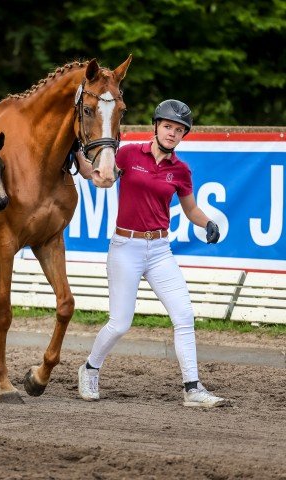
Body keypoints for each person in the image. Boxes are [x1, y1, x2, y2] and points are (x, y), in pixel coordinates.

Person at [76, 99, 227, 408]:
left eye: (179, 130)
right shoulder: (129, 154)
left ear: (184, 135)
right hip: (125, 247)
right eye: (168, 126)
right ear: (156, 126)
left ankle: (193, 388)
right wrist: (79, 155)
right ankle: (90, 368)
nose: (172, 133)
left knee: (184, 316)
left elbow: (191, 209)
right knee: (120, 323)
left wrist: (208, 222)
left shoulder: (181, 171)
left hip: (159, 250)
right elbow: (100, 176)